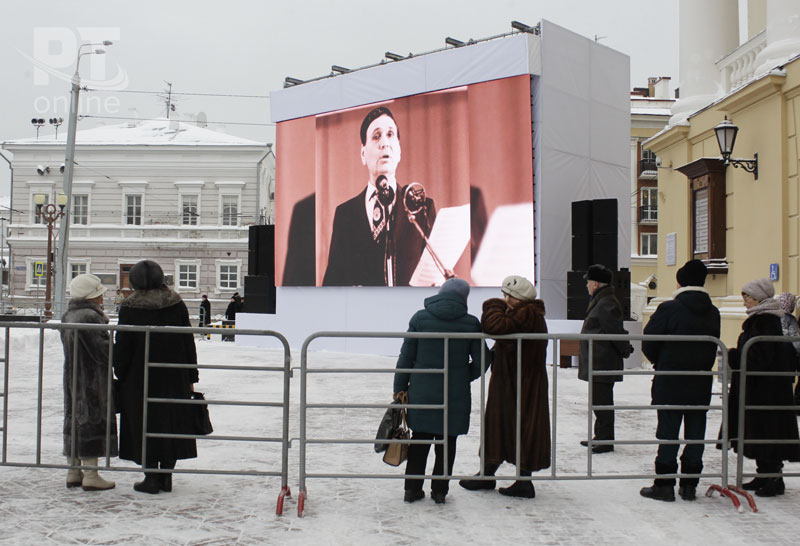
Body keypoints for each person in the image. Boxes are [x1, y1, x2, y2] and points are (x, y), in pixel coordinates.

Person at [393, 278, 489, 504]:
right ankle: (439, 491)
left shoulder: (420, 318)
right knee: (448, 443)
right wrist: (464, 376)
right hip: (454, 393)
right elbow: (483, 359)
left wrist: (399, 389)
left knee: (420, 441)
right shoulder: (470, 323)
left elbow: (406, 357)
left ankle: (412, 489)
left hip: (421, 391)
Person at [323, 106, 436, 286]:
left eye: (390, 134)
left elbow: (434, 279)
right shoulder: (345, 214)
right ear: (363, 154)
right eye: (376, 136)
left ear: (399, 151)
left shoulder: (422, 207)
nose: (384, 142)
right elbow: (332, 284)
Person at [459, 275, 550, 499]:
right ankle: (493, 474)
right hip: (517, 380)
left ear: (515, 298)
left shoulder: (527, 313)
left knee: (517, 424)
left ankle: (515, 480)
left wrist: (493, 306)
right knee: (506, 424)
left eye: (506, 295)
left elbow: (494, 326)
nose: (503, 299)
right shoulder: (528, 313)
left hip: (520, 381)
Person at [113, 260, 199, 494]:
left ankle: (151, 476)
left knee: (143, 421)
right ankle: (166, 475)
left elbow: (123, 345)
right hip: (174, 374)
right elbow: (187, 340)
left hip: (139, 378)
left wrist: (119, 371)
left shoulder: (130, 307)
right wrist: (191, 374)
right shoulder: (176, 304)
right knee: (171, 420)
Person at [639, 259, 720, 502]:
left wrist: (661, 362)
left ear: (680, 281)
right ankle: (689, 485)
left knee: (668, 433)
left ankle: (664, 485)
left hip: (671, 380)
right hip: (700, 381)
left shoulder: (669, 308)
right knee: (696, 433)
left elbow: (649, 341)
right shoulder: (714, 312)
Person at [721, 278, 800, 497]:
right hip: (763, 387)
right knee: (760, 429)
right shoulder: (763, 319)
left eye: (747, 296)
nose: (744, 300)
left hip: (766, 389)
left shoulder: (765, 320)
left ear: (758, 298)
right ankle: (764, 474)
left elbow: (758, 356)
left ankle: (773, 478)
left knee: (766, 429)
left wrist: (733, 355)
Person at [60, 273, 117, 491]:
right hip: (93, 379)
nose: (102, 298)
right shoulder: (90, 317)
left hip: (72, 376)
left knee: (74, 417)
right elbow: (104, 352)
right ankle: (92, 475)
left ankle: (74, 471)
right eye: (99, 295)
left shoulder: (69, 315)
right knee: (90, 418)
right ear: (91, 297)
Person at [578, 264, 632, 454]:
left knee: (602, 402)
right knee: (599, 401)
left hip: (603, 361)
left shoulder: (606, 302)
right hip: (599, 360)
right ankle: (600, 436)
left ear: (595, 283)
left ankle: (605, 439)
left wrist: (625, 349)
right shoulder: (602, 300)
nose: (586, 285)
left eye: (588, 282)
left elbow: (614, 330)